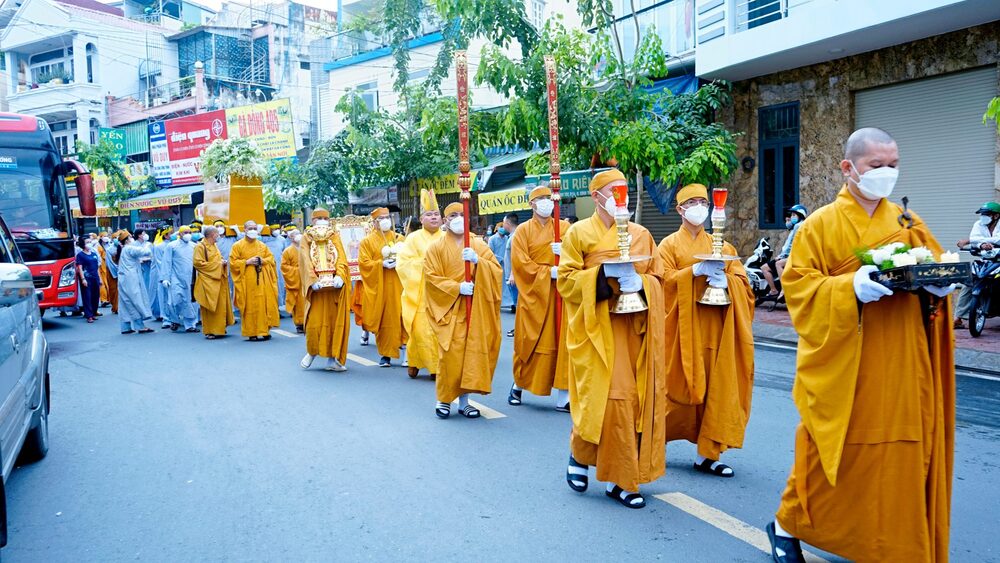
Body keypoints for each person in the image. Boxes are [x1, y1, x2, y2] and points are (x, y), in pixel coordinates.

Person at [767, 128, 956, 562]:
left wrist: (940, 288)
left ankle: (893, 546)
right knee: (827, 452)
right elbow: (797, 290)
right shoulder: (819, 225)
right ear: (848, 168)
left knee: (904, 454)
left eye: (893, 165)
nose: (887, 174)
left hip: (904, 361)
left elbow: (932, 269)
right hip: (845, 366)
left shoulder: (908, 223)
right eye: (877, 166)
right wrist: (847, 287)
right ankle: (786, 524)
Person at [558, 168, 666, 510]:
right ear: (598, 198)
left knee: (633, 401)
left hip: (634, 327)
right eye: (614, 191)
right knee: (606, 399)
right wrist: (602, 276)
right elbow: (566, 282)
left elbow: (658, 278)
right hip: (596, 328)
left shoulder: (642, 234)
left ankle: (606, 465)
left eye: (625, 191)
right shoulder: (578, 234)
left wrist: (642, 285)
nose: (623, 198)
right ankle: (616, 475)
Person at [657, 183, 755, 478]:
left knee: (718, 389)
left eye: (704, 201)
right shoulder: (669, 245)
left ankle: (707, 454)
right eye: (693, 202)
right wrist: (693, 273)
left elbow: (744, 287)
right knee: (675, 389)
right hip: (683, 330)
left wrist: (729, 283)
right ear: (680, 209)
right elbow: (661, 282)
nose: (700, 207)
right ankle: (651, 443)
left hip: (718, 329)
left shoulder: (723, 246)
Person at [424, 203, 502, 419]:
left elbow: (496, 271)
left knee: (471, 356)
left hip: (475, 309)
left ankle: (465, 401)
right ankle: (444, 399)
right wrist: (456, 287)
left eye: (461, 214)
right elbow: (431, 279)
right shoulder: (436, 248)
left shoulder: (477, 244)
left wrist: (479, 263)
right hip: (450, 309)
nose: (458, 218)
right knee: (450, 357)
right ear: (445, 220)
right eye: (453, 215)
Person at [508, 185, 571, 411]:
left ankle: (564, 396)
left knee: (564, 344)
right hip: (535, 294)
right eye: (541, 199)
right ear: (531, 204)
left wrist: (564, 254)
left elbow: (578, 254)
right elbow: (520, 264)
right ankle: (518, 385)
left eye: (549, 198)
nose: (546, 202)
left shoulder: (564, 228)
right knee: (529, 343)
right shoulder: (522, 231)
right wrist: (546, 273)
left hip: (561, 293)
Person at [397, 190, 445, 378]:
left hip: (443, 292)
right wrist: (425, 263)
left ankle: (437, 366)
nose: (434, 218)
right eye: (429, 215)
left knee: (440, 330)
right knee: (420, 330)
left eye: (436, 215)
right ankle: (416, 362)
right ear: (421, 218)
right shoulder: (413, 238)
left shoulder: (447, 237)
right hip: (420, 292)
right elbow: (403, 264)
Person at [299, 209, 351, 371]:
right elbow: (305, 260)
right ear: (313, 221)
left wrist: (341, 276)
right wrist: (312, 280)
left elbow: (341, 257)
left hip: (333, 290)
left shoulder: (334, 235)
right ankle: (311, 352)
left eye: (325, 218)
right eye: (319, 218)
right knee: (315, 323)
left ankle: (332, 360)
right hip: (317, 291)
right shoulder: (306, 237)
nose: (322, 221)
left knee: (335, 324)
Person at [358, 208, 406, 367]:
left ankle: (407, 353)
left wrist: (401, 262)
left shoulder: (400, 238)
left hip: (400, 284)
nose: (385, 220)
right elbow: (364, 264)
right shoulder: (367, 242)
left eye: (387, 217)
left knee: (403, 315)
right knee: (386, 318)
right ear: (374, 222)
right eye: (381, 218)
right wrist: (381, 264)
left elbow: (409, 257)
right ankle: (386, 355)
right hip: (381, 287)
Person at [230, 221, 280, 341]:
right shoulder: (237, 245)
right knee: (250, 306)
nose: (252, 230)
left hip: (262, 280)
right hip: (247, 281)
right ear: (245, 230)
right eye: (250, 228)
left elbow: (271, 258)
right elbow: (232, 263)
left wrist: (262, 261)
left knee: (264, 305)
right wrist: (246, 262)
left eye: (254, 228)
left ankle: (264, 331)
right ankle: (251, 332)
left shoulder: (262, 245)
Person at [954, 201, 1000, 328]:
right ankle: (958, 318)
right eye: (982, 214)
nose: (982, 217)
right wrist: (981, 245)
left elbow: (998, 239)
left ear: (996, 216)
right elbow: (975, 240)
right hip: (985, 260)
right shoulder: (978, 224)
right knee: (970, 282)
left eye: (986, 214)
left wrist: (970, 241)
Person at [193, 226, 235, 339]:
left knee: (220, 306)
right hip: (208, 281)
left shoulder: (214, 245)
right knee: (210, 306)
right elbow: (198, 263)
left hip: (219, 279)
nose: (219, 236)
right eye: (217, 234)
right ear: (212, 235)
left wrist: (223, 262)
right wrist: (218, 265)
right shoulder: (200, 246)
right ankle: (210, 331)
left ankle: (220, 328)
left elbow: (218, 258)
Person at [761, 204, 808, 301]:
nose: (791, 217)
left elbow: (792, 244)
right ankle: (775, 290)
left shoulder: (799, 226)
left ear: (800, 215)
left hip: (792, 256)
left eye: (794, 215)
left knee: (777, 264)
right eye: (791, 215)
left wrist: (782, 256)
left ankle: (783, 289)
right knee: (767, 266)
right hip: (793, 255)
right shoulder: (799, 225)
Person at [114, 230, 155, 334]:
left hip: (125, 279)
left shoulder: (124, 249)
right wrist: (147, 244)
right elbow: (145, 252)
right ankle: (139, 325)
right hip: (130, 279)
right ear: (127, 239)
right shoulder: (129, 248)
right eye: (130, 237)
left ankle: (125, 327)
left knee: (125, 302)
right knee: (135, 301)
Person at [161, 225, 199, 333]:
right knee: (174, 301)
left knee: (191, 302)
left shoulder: (194, 246)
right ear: (180, 234)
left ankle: (190, 325)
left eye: (189, 232)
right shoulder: (172, 246)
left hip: (191, 278)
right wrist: (165, 278)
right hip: (175, 278)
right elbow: (167, 262)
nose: (187, 234)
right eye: (185, 232)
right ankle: (174, 319)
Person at [281, 229, 306, 333]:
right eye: (295, 234)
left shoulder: (306, 248)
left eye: (298, 233)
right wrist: (297, 270)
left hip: (306, 279)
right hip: (295, 281)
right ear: (291, 238)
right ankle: (299, 324)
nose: (298, 236)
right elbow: (284, 267)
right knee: (298, 303)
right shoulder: (287, 251)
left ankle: (308, 322)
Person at [153, 226, 176, 329]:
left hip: (174, 276)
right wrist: (164, 277)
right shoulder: (158, 247)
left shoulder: (174, 245)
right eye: (170, 233)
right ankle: (166, 319)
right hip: (164, 276)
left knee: (174, 298)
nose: (173, 234)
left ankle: (175, 318)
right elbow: (160, 263)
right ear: (165, 235)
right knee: (164, 298)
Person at [75, 235, 101, 323]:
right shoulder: (80, 255)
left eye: (90, 242)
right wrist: (83, 279)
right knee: (87, 296)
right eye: (87, 242)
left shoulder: (94, 254)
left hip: (95, 277)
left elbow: (97, 267)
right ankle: (89, 315)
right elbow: (80, 267)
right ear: (83, 244)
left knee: (95, 296)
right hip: (87, 278)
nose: (89, 244)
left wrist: (99, 278)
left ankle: (93, 313)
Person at [263, 223, 288, 310]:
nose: (276, 231)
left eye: (277, 228)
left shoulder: (281, 239)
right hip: (268, 267)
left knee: (280, 286)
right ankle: (271, 308)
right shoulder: (264, 239)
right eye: (273, 229)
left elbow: (285, 252)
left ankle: (277, 307)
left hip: (280, 267)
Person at [501, 212, 520, 318]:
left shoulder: (515, 237)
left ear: (508, 223)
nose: (503, 225)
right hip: (512, 276)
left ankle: (518, 328)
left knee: (518, 303)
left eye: (503, 223)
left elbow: (516, 256)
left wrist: (513, 274)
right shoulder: (513, 236)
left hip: (514, 277)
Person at [103, 231, 120, 314]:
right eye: (115, 238)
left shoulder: (122, 247)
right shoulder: (109, 249)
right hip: (111, 271)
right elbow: (110, 262)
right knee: (113, 289)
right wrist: (116, 269)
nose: (117, 239)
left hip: (120, 270)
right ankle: (114, 306)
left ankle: (118, 307)